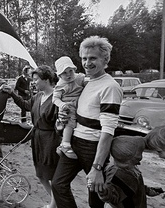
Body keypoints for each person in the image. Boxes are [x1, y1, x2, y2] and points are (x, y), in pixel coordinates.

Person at [51, 36, 123, 208]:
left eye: (93, 58)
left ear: (105, 60)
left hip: (93, 147)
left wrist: (97, 168)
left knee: (95, 196)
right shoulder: (87, 82)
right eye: (84, 58)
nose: (87, 63)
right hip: (75, 141)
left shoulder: (110, 87)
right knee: (58, 184)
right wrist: (63, 117)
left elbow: (108, 131)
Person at [1, 65, 60, 208]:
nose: (33, 82)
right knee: (40, 174)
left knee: (51, 175)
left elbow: (60, 124)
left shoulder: (56, 98)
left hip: (50, 140)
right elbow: (25, 105)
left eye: (36, 79)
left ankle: (54, 204)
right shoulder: (38, 96)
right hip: (37, 138)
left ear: (46, 79)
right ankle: (56, 202)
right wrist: (12, 93)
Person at [97, 135, 146, 207]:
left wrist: (146, 190)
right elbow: (112, 197)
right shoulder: (116, 175)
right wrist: (103, 192)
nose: (139, 161)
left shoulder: (132, 168)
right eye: (137, 158)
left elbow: (130, 188)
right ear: (127, 159)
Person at [52, 56, 86, 159]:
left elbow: (89, 82)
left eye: (70, 71)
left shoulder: (80, 78)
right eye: (64, 73)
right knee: (70, 121)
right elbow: (55, 99)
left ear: (74, 69)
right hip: (68, 104)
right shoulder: (60, 85)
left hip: (80, 102)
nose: (68, 75)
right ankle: (65, 143)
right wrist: (62, 104)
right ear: (60, 75)